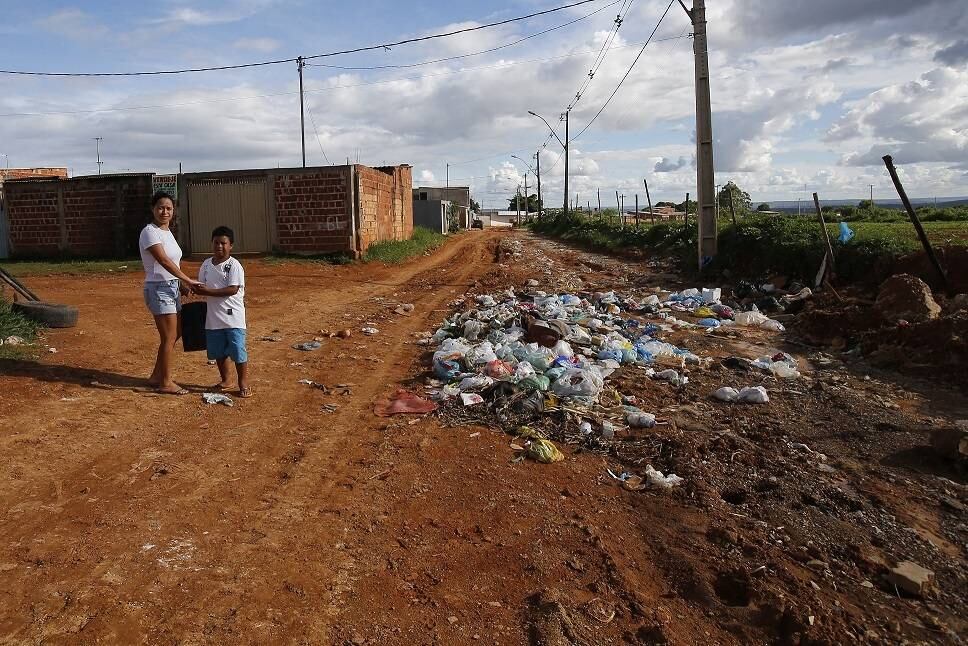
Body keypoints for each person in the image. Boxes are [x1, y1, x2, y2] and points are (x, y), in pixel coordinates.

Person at [140, 191, 203, 395]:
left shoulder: (167, 232)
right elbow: (164, 261)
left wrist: (180, 284)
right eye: (160, 207)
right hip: (158, 288)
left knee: (174, 334)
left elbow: (173, 261)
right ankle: (165, 382)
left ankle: (156, 376)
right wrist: (187, 279)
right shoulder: (150, 232)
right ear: (153, 209)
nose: (164, 211)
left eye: (168, 208)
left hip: (170, 287)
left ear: (173, 211)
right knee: (168, 337)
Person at [193, 226, 251, 398]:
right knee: (218, 351)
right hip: (213, 317)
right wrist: (190, 288)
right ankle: (226, 379)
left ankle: (243, 382)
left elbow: (232, 289)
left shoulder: (234, 266)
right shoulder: (206, 265)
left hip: (233, 317)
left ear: (230, 245)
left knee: (237, 349)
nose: (219, 246)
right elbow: (200, 285)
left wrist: (206, 292)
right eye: (216, 242)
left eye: (223, 243)